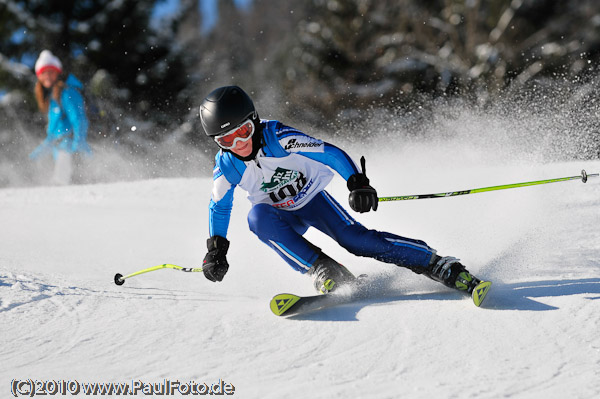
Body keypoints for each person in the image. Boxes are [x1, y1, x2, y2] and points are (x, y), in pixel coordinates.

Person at [199, 85, 485, 297]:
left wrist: (356, 182)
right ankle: (323, 269)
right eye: (227, 139)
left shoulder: (278, 138)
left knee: (356, 241)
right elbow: (219, 206)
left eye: (244, 132)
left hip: (313, 201)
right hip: (280, 216)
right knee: (257, 218)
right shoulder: (227, 167)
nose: (239, 144)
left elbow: (329, 153)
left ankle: (436, 264)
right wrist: (216, 249)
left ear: (255, 121)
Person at [30, 50, 91, 185]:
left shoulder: (67, 92)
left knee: (61, 188)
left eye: (51, 71)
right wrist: (34, 157)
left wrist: (77, 147)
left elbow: (79, 120)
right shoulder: (52, 99)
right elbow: (52, 136)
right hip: (61, 154)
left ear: (58, 72)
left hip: (72, 152)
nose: (47, 76)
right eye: (43, 72)